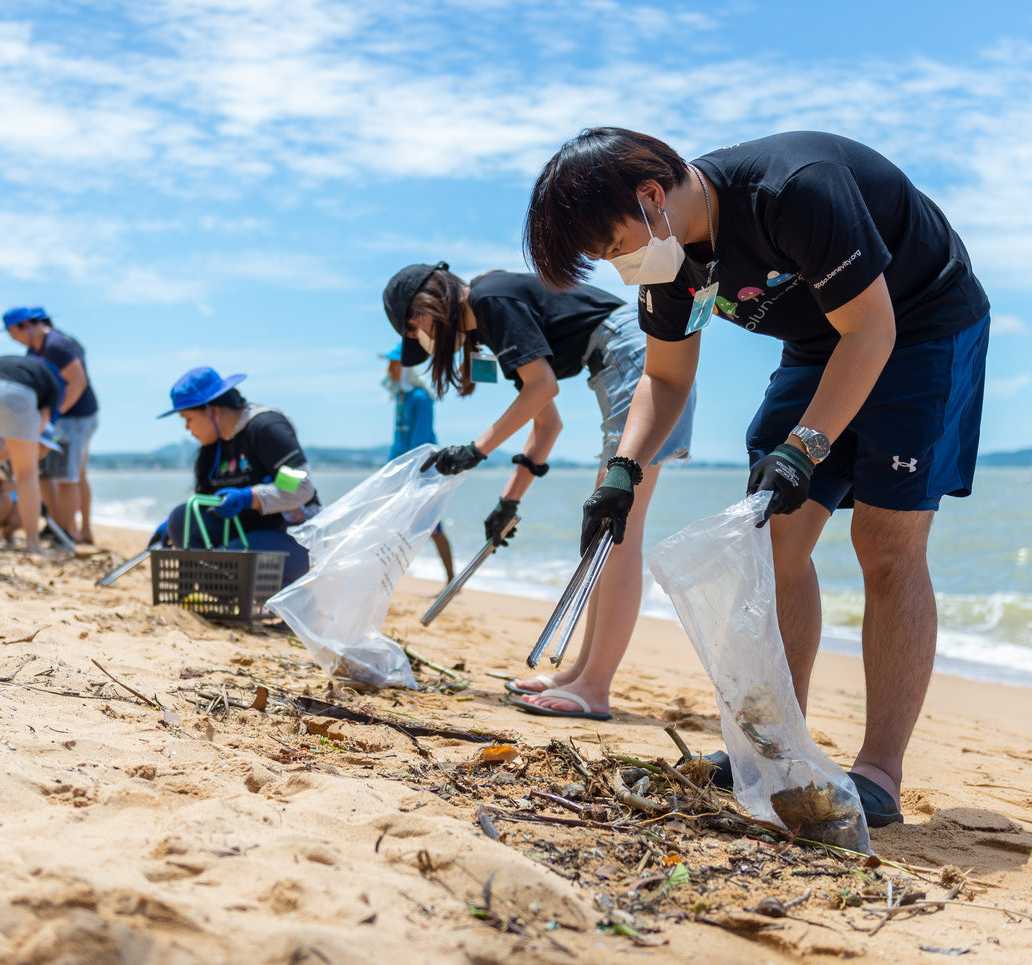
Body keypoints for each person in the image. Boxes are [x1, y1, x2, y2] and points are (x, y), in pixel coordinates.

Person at [524, 128, 992, 826]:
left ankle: (878, 773)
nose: (619, 266)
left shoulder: (792, 190)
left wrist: (806, 443)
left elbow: (871, 331)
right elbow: (663, 376)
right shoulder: (669, 260)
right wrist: (620, 472)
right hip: (816, 347)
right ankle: (778, 745)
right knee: (769, 540)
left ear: (652, 198)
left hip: (921, 326)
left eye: (613, 246)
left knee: (886, 546)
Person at [382, 262, 695, 721]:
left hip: (635, 357)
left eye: (415, 327)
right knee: (603, 537)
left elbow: (541, 385)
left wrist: (475, 449)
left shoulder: (489, 299)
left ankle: (595, 686)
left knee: (616, 533)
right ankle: (582, 673)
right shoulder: (489, 315)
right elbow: (547, 421)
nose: (423, 339)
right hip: (624, 358)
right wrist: (509, 501)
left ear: (427, 304)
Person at [156, 367, 318, 586]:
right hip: (244, 534)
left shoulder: (265, 427)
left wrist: (247, 497)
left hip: (293, 537)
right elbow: (205, 504)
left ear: (213, 411)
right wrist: (174, 527)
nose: (187, 428)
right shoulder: (216, 444)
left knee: (231, 559)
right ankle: (223, 596)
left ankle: (284, 597)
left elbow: (301, 488)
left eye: (188, 418)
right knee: (183, 519)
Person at [4, 306, 98, 543]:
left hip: (76, 416)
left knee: (68, 476)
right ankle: (60, 526)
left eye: (13, 333)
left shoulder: (57, 345)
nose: (14, 339)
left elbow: (78, 382)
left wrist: (53, 416)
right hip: (59, 417)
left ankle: (68, 531)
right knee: (54, 475)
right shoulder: (35, 349)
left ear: (26, 325)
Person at [0, 354, 62, 555]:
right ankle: (33, 543)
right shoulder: (53, 383)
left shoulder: (8, 363)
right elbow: (42, 423)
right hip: (17, 392)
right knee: (26, 474)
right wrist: (18, 445)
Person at [383, 345, 453, 581]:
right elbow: (398, 441)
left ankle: (451, 579)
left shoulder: (422, 399)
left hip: (423, 473)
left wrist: (410, 477)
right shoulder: (401, 397)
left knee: (434, 527)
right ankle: (389, 575)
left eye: (394, 364)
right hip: (402, 473)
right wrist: (389, 471)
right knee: (396, 525)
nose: (389, 369)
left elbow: (420, 443)